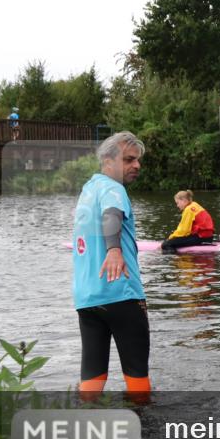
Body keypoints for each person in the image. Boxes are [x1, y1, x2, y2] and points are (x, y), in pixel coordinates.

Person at [71, 131, 150, 396]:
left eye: (137, 160)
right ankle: (145, 433)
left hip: (87, 298)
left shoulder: (88, 189)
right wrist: (115, 249)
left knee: (92, 375)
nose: (136, 165)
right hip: (121, 294)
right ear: (108, 159)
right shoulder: (113, 189)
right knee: (137, 374)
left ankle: (86, 428)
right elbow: (112, 214)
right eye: (128, 160)